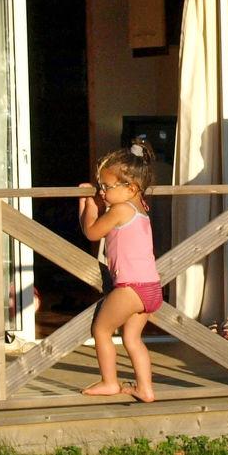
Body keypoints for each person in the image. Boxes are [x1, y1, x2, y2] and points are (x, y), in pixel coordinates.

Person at [78, 141, 161, 402]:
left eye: (106, 187)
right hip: (151, 288)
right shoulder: (139, 207)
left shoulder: (121, 209)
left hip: (130, 288)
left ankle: (110, 382)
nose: (101, 192)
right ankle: (145, 389)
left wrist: (87, 205)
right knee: (132, 339)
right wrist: (100, 201)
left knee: (101, 331)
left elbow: (91, 231)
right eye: (100, 187)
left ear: (131, 187)